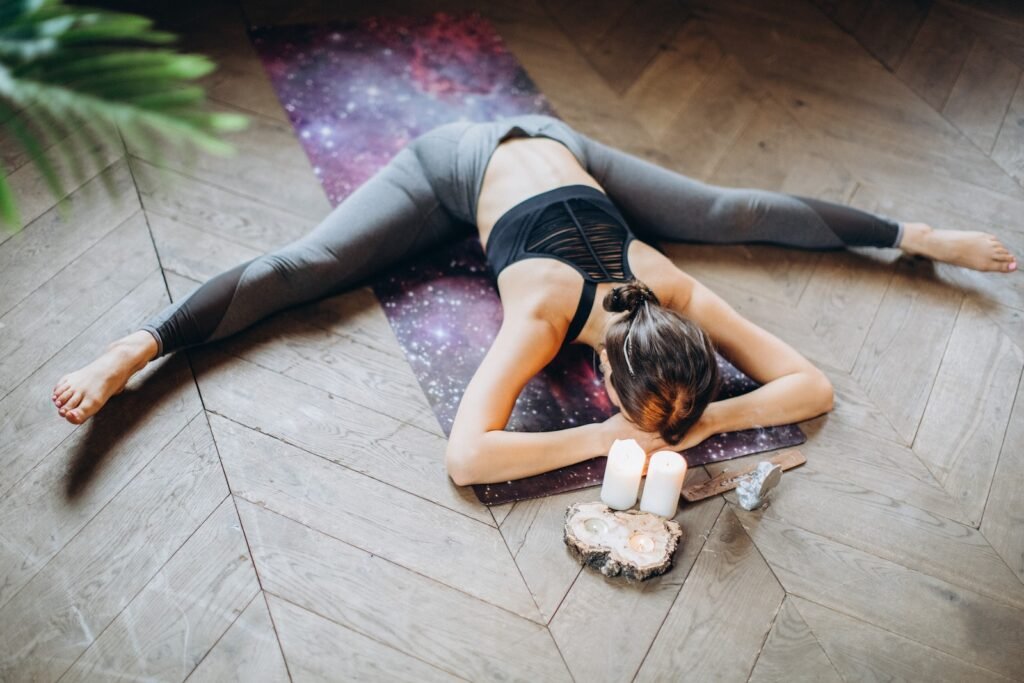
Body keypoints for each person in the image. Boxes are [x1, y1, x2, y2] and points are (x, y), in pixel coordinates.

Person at [51, 115, 1017, 485]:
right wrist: (607, 440)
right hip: (455, 165)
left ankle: (914, 237)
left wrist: (708, 414)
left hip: (565, 147)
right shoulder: (545, 312)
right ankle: (132, 347)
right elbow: (467, 457)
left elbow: (814, 387)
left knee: (727, 210)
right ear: (603, 368)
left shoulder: (671, 291)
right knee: (301, 270)